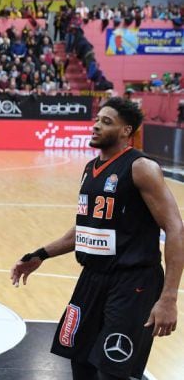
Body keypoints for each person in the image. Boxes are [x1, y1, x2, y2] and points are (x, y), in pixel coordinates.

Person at [10, 97, 183, 380]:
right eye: (96, 119)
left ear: (126, 131)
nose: (96, 126)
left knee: (112, 372)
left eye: (106, 121)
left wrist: (168, 298)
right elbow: (86, 230)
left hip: (133, 282)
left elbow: (176, 229)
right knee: (80, 362)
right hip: (93, 277)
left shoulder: (141, 168)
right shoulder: (90, 168)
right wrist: (40, 254)